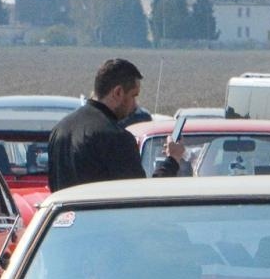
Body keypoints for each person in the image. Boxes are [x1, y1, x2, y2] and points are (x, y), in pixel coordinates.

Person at [47, 58, 185, 190]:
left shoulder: (59, 130)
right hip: (103, 214)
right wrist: (172, 160)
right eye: (133, 96)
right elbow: (141, 197)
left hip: (65, 214)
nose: (135, 105)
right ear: (118, 92)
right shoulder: (116, 138)